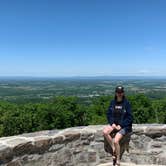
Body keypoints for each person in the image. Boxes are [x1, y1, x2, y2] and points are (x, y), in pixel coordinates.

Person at [103, 86, 133, 166]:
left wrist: (121, 125)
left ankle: (118, 158)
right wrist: (112, 123)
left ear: (123, 93)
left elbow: (130, 117)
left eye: (121, 92)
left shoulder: (126, 103)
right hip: (114, 125)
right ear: (115, 93)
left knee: (116, 140)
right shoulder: (112, 102)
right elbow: (109, 114)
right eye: (118, 92)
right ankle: (113, 148)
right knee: (105, 132)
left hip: (124, 126)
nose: (119, 94)